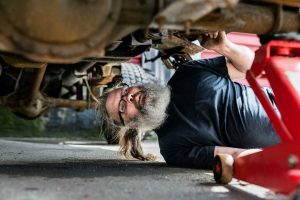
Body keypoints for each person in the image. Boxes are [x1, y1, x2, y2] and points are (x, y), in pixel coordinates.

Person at [97, 31, 280, 169]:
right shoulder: (173, 150)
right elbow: (234, 156)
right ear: (131, 125)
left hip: (287, 101)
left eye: (126, 90)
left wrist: (224, 46)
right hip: (286, 144)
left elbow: (251, 66)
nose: (129, 96)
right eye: (122, 106)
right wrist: (281, 161)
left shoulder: (187, 72)